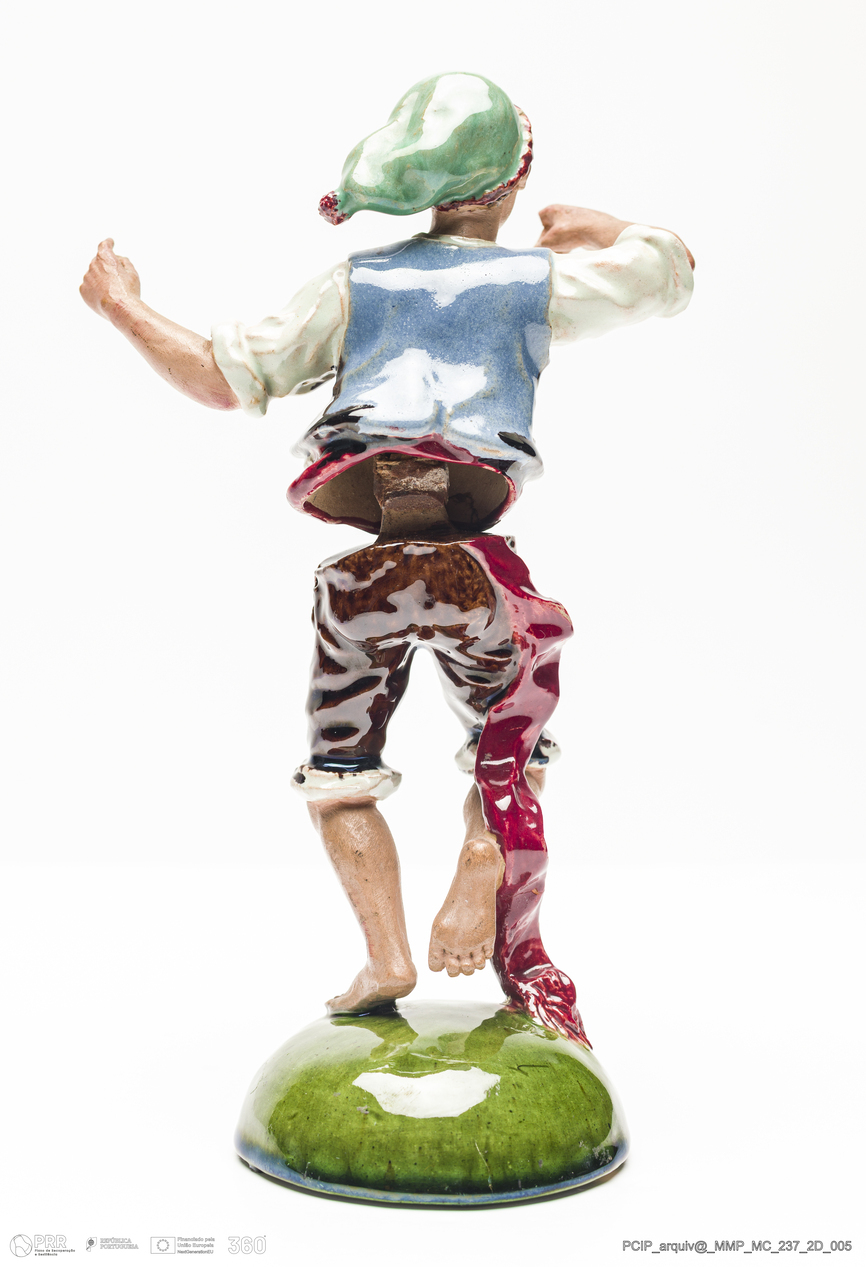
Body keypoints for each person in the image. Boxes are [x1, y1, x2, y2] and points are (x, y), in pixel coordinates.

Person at [81, 72, 693, 1043]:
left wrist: (123, 307)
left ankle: (385, 952)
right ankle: (483, 851)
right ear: (508, 184)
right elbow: (668, 271)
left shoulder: (353, 285)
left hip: (365, 579)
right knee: (512, 752)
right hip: (475, 572)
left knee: (337, 771)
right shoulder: (534, 282)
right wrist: (599, 228)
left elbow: (223, 375)